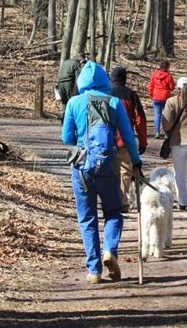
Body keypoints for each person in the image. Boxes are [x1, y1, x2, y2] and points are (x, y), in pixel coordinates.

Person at [62, 60, 142, 284]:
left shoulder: (74, 103)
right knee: (114, 213)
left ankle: (94, 270)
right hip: (108, 166)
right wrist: (135, 161)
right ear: (104, 81)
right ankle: (110, 250)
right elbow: (127, 137)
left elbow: (66, 138)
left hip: (81, 170)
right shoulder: (114, 102)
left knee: (87, 219)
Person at [161, 77, 187, 213]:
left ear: (177, 88)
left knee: (179, 173)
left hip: (177, 141)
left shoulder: (171, 102)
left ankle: (182, 202)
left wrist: (169, 129)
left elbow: (166, 124)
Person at [109, 66, 148, 212]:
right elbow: (140, 120)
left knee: (109, 169)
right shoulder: (131, 95)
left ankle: (112, 199)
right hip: (125, 139)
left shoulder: (104, 93)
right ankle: (122, 200)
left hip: (106, 139)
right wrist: (143, 142)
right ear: (124, 79)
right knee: (125, 170)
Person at [148, 59, 175, 138]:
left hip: (156, 97)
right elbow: (172, 87)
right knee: (167, 115)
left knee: (157, 115)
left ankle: (157, 132)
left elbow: (150, 87)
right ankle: (167, 132)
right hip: (165, 97)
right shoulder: (168, 76)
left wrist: (152, 95)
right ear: (167, 67)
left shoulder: (154, 75)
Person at [57, 54, 86, 119]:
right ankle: (70, 118)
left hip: (60, 83)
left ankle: (63, 117)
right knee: (71, 100)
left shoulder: (65, 62)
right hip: (69, 83)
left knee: (64, 101)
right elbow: (78, 77)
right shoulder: (76, 63)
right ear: (80, 60)